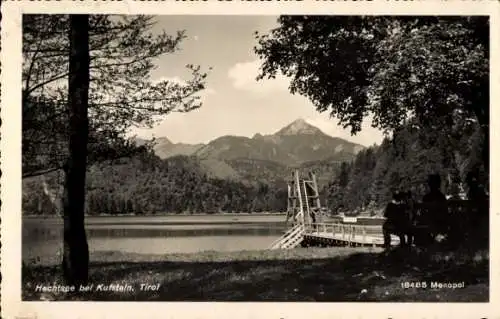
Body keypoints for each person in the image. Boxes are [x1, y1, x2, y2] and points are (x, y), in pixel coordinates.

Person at [421, 174, 448, 242]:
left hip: (432, 221)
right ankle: (438, 237)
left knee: (430, 221)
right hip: (439, 220)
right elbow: (445, 211)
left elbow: (423, 212)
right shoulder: (441, 197)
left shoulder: (426, 197)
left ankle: (436, 237)